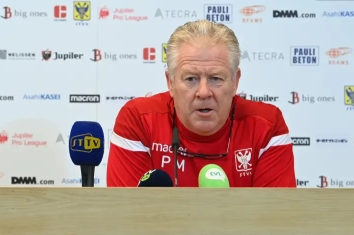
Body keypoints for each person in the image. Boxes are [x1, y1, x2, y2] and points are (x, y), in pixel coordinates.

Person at [106, 19, 296, 187]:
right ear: (170, 82)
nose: (204, 92)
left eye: (215, 78)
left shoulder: (266, 127)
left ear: (235, 82)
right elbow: (129, 213)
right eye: (191, 79)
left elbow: (274, 215)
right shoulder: (139, 121)